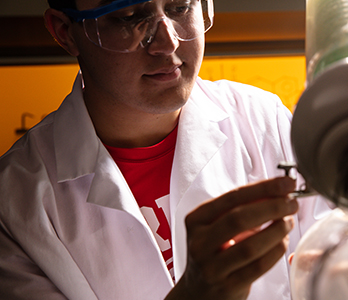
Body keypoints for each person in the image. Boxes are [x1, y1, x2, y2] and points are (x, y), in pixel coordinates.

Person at [0, 0, 329, 299]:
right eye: (128, 18)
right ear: (64, 31)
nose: (168, 42)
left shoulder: (265, 119)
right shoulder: (13, 202)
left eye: (180, 7)